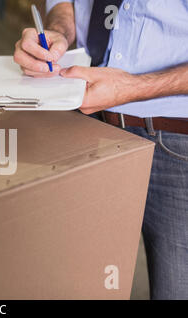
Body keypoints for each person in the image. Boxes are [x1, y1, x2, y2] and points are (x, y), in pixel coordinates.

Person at [14, 0, 188, 300]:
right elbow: (65, 4)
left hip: (173, 141)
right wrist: (58, 32)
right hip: (85, 122)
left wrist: (133, 87)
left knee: (177, 287)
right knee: (78, 280)